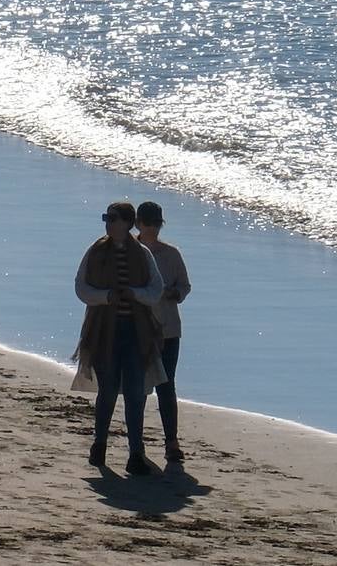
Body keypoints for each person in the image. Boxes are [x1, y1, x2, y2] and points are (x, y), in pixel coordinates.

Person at [72, 201, 167, 475]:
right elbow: (81, 287)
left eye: (113, 219)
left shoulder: (143, 253)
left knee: (136, 394)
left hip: (136, 333)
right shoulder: (96, 250)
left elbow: (155, 289)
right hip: (104, 332)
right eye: (107, 218)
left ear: (127, 223)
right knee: (108, 391)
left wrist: (134, 293)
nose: (108, 223)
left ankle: (136, 453)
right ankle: (99, 445)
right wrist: (106, 297)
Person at [136, 200, 191, 463]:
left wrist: (173, 292)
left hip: (169, 329)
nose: (155, 229)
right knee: (138, 387)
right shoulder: (130, 252)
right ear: (139, 225)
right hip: (138, 329)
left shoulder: (171, 254)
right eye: (150, 224)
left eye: (157, 224)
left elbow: (185, 286)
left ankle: (171, 442)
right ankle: (137, 444)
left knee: (167, 386)